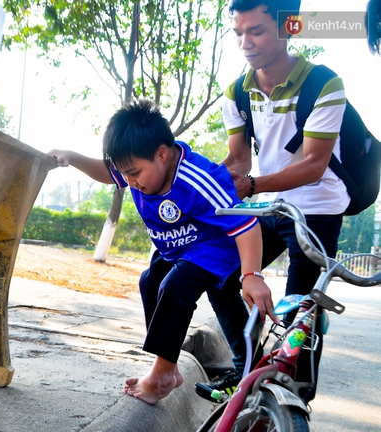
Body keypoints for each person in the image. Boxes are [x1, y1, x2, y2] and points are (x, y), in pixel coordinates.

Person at [49, 99, 277, 405]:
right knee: (151, 282)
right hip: (181, 246)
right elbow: (108, 172)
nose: (130, 182)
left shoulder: (197, 178)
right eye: (125, 174)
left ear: (161, 153)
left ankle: (162, 375)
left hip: (215, 244)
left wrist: (251, 276)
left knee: (175, 288)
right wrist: (72, 157)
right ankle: (167, 363)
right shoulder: (139, 168)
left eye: (134, 173)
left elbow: (247, 224)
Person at [196, 0, 348, 403]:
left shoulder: (324, 84)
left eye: (257, 31)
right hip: (272, 203)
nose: (245, 43)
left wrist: (252, 184)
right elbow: (239, 160)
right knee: (220, 270)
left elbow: (314, 165)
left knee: (302, 311)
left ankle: (294, 396)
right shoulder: (236, 91)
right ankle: (244, 367)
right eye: (238, 33)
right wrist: (198, 180)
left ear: (290, 27)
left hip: (317, 208)